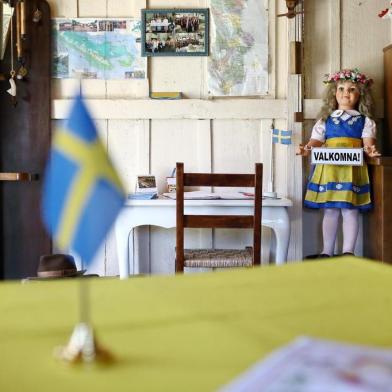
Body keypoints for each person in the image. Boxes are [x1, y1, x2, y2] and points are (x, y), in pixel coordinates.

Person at [297, 68, 381, 258]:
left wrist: (371, 150)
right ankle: (327, 251)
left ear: (360, 95)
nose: (346, 93)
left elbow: (368, 144)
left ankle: (348, 252)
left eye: (352, 89)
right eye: (341, 88)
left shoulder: (364, 121)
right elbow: (316, 141)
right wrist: (306, 148)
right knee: (330, 210)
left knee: (350, 210)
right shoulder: (325, 120)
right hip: (330, 169)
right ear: (334, 94)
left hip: (352, 169)